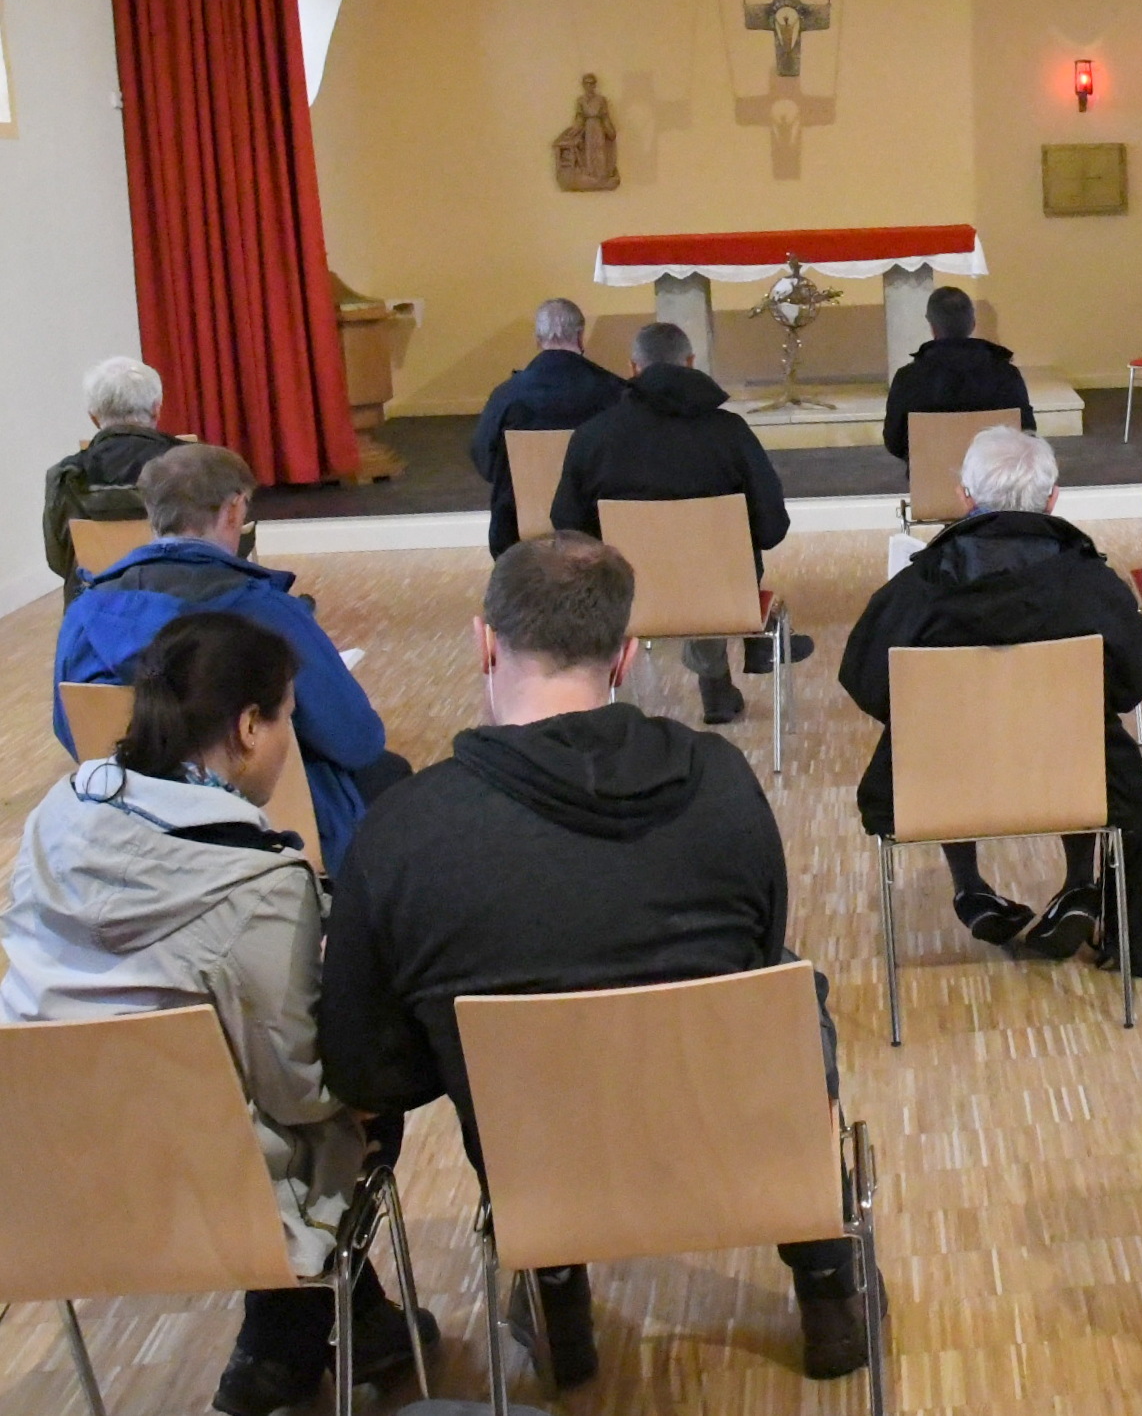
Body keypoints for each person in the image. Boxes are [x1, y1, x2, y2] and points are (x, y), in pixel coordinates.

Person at [317, 534, 866, 1387]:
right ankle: (826, 1277)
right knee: (789, 980)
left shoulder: (403, 827)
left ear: (486, 643)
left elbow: (367, 1069)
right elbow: (758, 953)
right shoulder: (721, 780)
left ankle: (556, 1288)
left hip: (536, 1162)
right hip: (723, 1126)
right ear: (627, 655)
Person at [4, 612, 433, 1415]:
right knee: (373, 1093)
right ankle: (271, 1358)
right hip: (210, 1196)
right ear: (247, 727)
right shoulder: (260, 883)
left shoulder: (54, 816)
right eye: (286, 721)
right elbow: (301, 1090)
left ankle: (357, 1326)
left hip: (40, 1187)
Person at [839, 428, 1142, 956]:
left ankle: (969, 887)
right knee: (1087, 736)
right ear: (1053, 499)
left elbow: (866, 682)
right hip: (1077, 778)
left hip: (939, 783)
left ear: (965, 496)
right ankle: (1081, 882)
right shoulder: (1091, 586)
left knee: (934, 738)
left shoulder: (916, 592)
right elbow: (1134, 682)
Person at [55, 445, 403, 873]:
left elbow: (70, 729)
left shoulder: (85, 614)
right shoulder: (265, 613)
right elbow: (356, 739)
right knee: (390, 775)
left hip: (133, 829)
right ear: (234, 510)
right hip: (272, 830)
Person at [549, 320, 806, 725]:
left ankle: (614, 706)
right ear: (689, 362)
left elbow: (567, 527)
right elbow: (772, 527)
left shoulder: (593, 436)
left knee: (666, 566)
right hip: (722, 595)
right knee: (707, 564)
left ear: (634, 368)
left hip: (626, 598)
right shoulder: (729, 433)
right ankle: (718, 681)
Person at [470, 297, 626, 556]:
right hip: (597, 527)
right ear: (580, 336)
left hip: (516, 529)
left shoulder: (507, 395)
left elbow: (484, 461)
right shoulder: (615, 392)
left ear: (538, 339)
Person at [43, 355, 187, 603]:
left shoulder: (65, 475)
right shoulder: (195, 462)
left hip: (93, 613)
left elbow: (59, 559)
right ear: (157, 408)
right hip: (182, 611)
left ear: (94, 416)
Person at [882, 285, 1035, 459]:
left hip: (931, 479)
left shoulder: (908, 378)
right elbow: (1027, 432)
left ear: (932, 326)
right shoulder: (1006, 374)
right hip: (993, 480)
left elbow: (894, 441)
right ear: (972, 324)